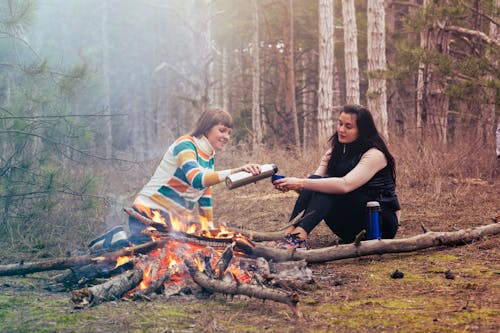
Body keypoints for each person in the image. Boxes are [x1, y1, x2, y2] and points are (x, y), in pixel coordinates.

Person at [89, 107, 260, 252]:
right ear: (206, 128)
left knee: (177, 254)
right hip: (149, 211)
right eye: (222, 131)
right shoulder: (186, 145)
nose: (226, 137)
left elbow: (204, 193)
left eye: (229, 133)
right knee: (141, 253)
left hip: (172, 220)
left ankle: (122, 239)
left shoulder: (209, 155)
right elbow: (197, 180)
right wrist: (234, 171)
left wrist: (209, 229)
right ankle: (113, 239)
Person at [270, 104, 400, 249]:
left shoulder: (375, 154)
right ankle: (289, 234)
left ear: (362, 131)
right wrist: (290, 184)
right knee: (317, 182)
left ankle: (298, 238)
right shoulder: (333, 153)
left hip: (379, 224)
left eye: (348, 126)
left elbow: (345, 185)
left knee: (329, 187)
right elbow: (313, 184)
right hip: (348, 225)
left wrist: (300, 183)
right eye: (340, 124)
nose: (341, 129)